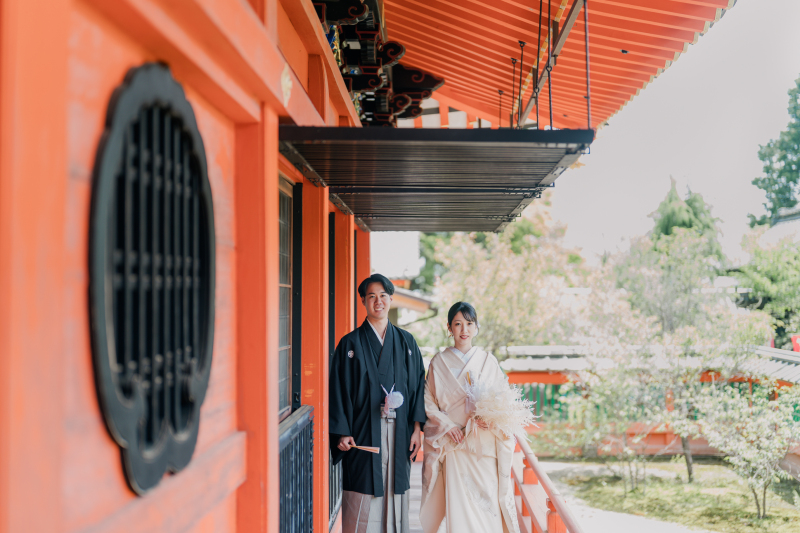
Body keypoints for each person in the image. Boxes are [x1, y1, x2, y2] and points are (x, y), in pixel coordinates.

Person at [329, 273, 427, 533]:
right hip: (362, 431)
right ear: (363, 301)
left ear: (391, 299)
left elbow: (418, 384)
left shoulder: (407, 342)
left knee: (396, 490)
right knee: (363, 493)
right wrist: (342, 431)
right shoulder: (349, 344)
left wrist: (418, 427)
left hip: (401, 431)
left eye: (383, 295)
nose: (378, 301)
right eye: (371, 296)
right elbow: (337, 389)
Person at [419, 302, 520, 533]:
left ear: (476, 327)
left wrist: (492, 418)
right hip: (455, 444)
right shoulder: (439, 362)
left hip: (484, 443)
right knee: (460, 506)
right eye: (458, 324)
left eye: (469, 323)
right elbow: (428, 401)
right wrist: (445, 426)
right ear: (449, 328)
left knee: (488, 504)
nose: (464, 329)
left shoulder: (488, 361)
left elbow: (504, 399)